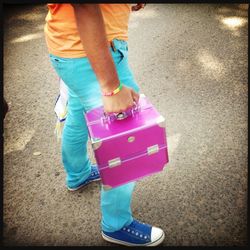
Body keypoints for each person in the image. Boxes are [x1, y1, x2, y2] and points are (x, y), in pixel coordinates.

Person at [44, 3, 165, 246]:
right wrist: (112, 87)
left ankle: (78, 174)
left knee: (78, 117)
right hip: (89, 53)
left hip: (69, 47)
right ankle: (116, 224)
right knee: (127, 138)